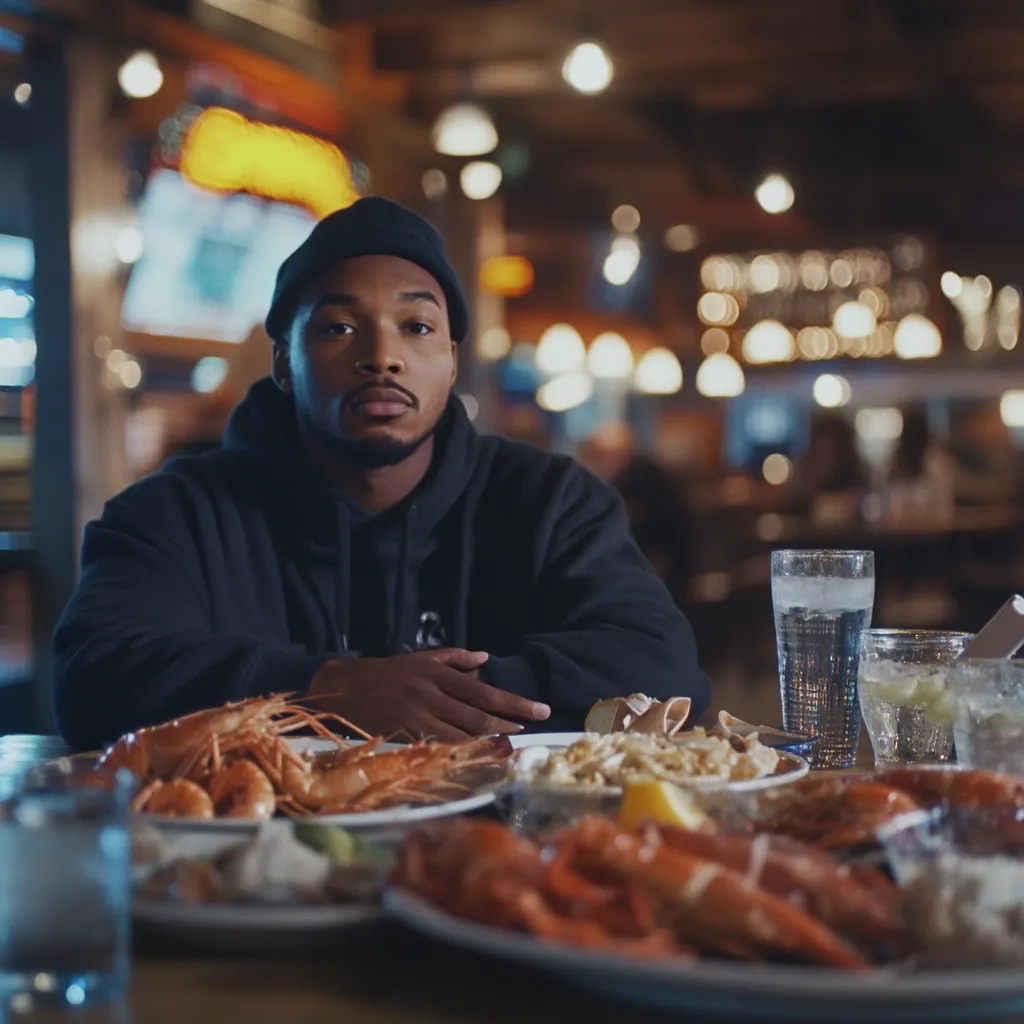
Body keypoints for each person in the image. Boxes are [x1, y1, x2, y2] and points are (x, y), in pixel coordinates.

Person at [53, 198, 710, 750]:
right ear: (285, 364)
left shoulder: (553, 500)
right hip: (248, 869)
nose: (382, 356)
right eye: (339, 328)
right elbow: (92, 679)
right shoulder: (173, 514)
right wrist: (328, 687)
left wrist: (426, 697)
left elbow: (665, 667)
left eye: (416, 326)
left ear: (451, 361)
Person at [579, 422, 696, 613]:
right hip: (671, 577)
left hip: (665, 582)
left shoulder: (639, 480)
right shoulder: (646, 474)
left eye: (597, 457)